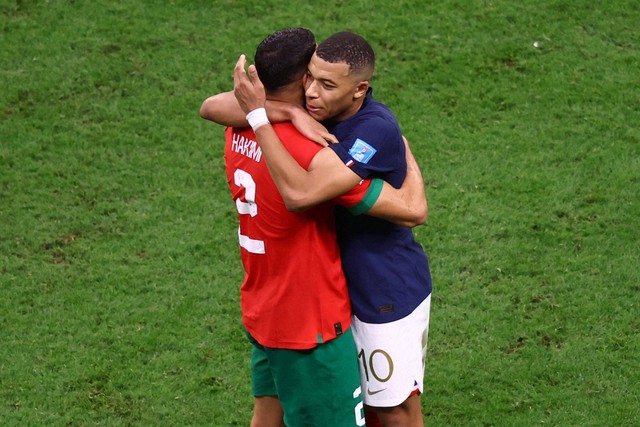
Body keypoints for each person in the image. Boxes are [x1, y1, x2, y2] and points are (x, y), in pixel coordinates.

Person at [202, 28, 427, 427]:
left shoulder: (366, 131)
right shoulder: (308, 132)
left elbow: (410, 211)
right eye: (311, 79)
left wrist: (266, 112)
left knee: (393, 409)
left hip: (380, 289)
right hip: (321, 299)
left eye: (327, 84)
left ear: (358, 90)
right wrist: (282, 113)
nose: (313, 94)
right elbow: (213, 107)